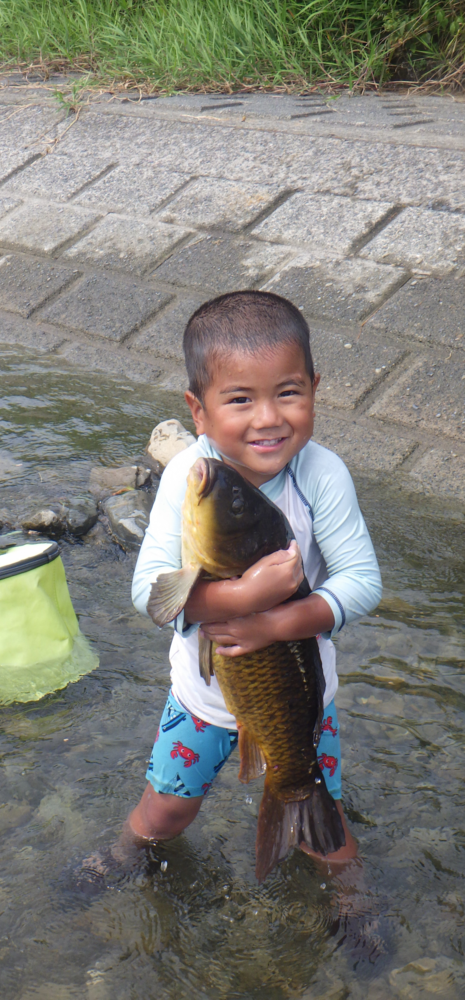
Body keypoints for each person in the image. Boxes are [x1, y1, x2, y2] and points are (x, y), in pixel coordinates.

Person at [129, 290, 382, 865]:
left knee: (322, 816)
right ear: (199, 411)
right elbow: (150, 592)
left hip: (299, 700)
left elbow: (362, 582)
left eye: (288, 393)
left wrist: (276, 622)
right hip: (201, 701)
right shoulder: (191, 480)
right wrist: (243, 596)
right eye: (240, 399)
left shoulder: (321, 473)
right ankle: (125, 855)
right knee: (164, 811)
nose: (268, 418)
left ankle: (351, 898)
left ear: (315, 389)